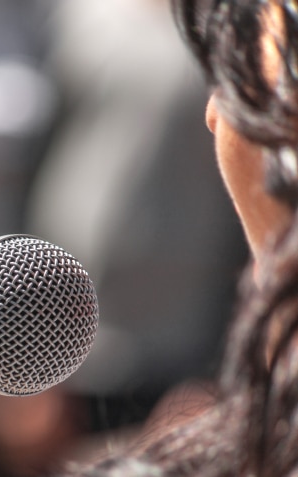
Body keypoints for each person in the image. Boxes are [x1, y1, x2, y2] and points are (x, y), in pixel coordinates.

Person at [65, 0, 298, 474]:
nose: (216, 114)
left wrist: (211, 374)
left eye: (242, 67)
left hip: (179, 349)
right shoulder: (86, 22)